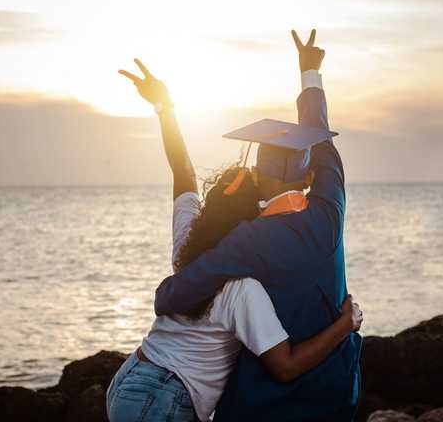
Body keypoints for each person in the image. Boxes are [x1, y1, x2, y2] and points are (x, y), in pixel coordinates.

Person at [106, 55, 363, 422]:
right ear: (308, 179)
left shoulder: (204, 238)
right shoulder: (326, 216)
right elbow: (323, 146)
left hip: (130, 378)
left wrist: (165, 107)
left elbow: (182, 172)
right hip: (170, 398)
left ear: (259, 176)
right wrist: (310, 76)